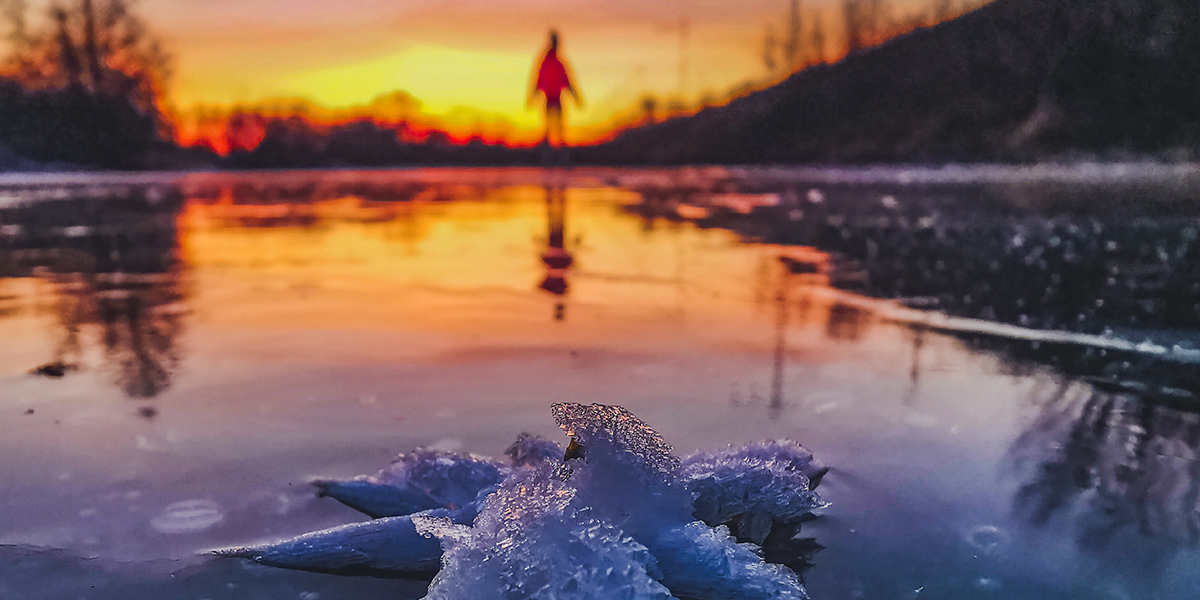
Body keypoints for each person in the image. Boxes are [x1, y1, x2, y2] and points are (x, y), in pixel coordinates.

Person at [528, 29, 582, 149]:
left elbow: (566, 81)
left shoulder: (553, 62)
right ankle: (550, 156)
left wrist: (575, 96)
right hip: (551, 99)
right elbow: (540, 79)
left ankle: (557, 155)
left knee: (557, 129)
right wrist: (533, 95)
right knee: (551, 129)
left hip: (556, 99)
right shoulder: (549, 62)